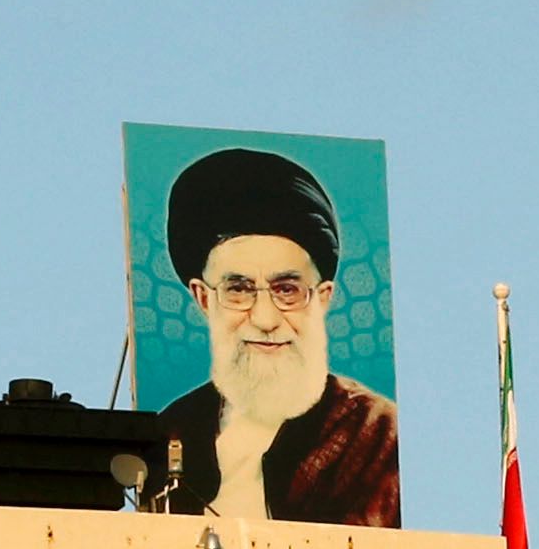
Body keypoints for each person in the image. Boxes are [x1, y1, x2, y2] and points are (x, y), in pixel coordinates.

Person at [137, 145, 400, 525]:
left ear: (322, 299)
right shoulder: (170, 431)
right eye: (239, 289)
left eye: (287, 290)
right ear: (203, 298)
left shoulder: (375, 434)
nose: (264, 318)